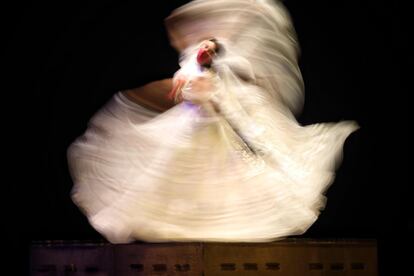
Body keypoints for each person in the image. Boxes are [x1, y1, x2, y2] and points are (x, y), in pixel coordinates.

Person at [68, 0, 358, 243]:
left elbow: (222, 85)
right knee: (178, 170)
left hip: (209, 127)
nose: (198, 46)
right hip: (193, 125)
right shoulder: (195, 66)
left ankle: (211, 222)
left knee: (211, 173)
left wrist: (209, 83)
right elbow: (188, 80)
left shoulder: (216, 68)